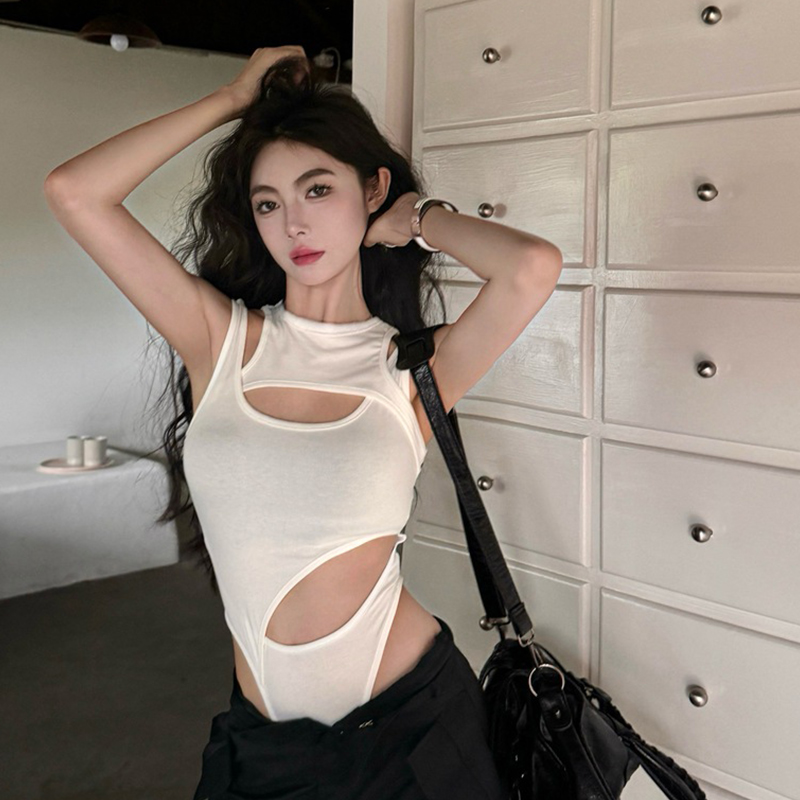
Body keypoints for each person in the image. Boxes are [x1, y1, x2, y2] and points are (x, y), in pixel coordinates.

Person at [43, 46, 563, 799]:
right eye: (267, 203)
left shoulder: (413, 366)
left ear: (369, 188)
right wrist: (232, 99)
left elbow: (531, 267)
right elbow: (75, 193)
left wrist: (414, 218)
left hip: (413, 732)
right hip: (264, 744)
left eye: (318, 189)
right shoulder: (220, 340)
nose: (294, 223)